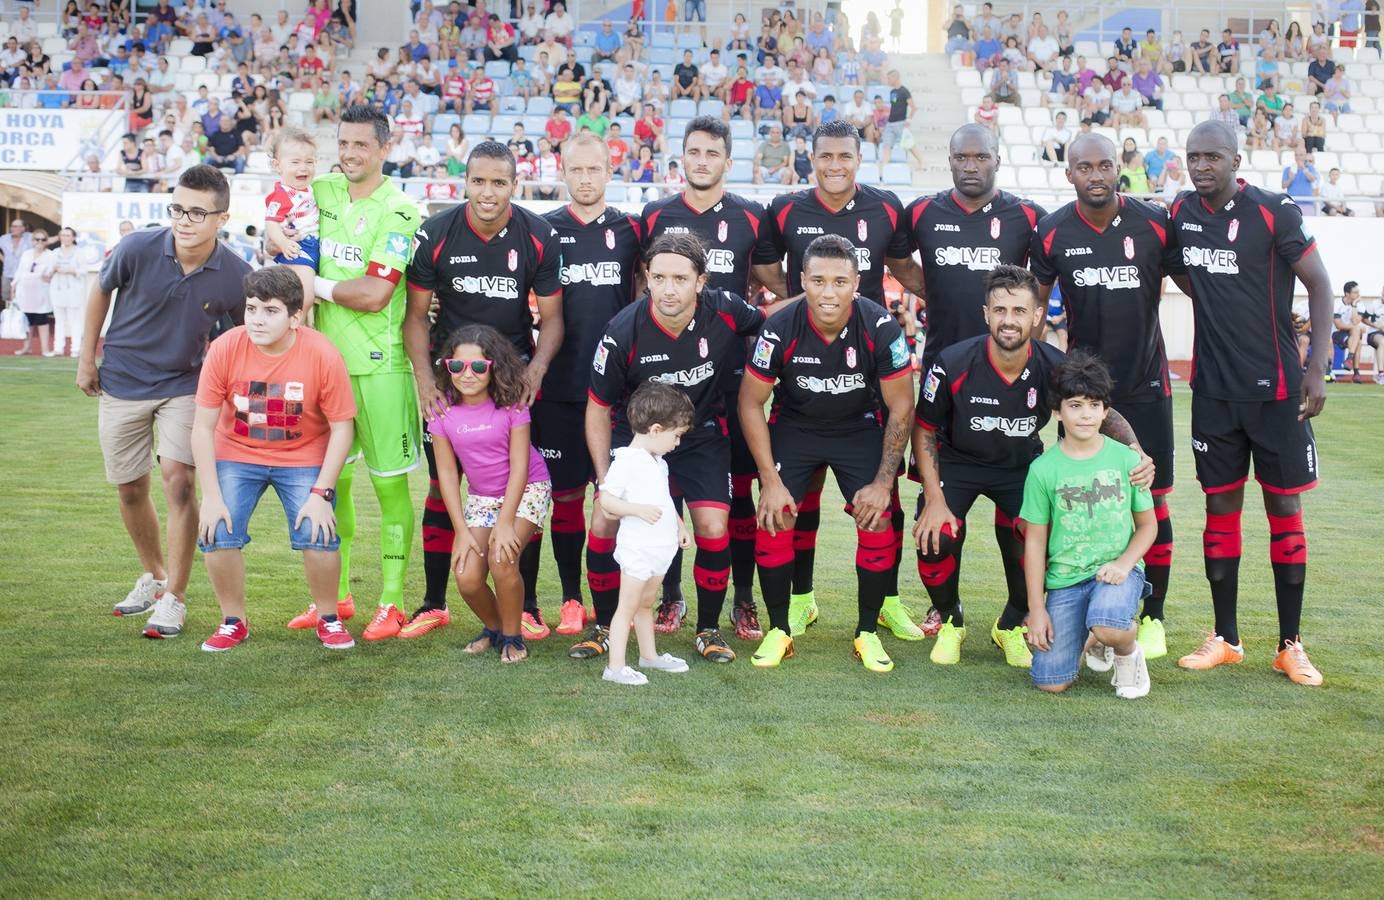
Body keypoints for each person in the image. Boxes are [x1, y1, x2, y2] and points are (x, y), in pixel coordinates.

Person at [912, 264, 1154, 667]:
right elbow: (923, 431)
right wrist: (934, 497)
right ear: (986, 313)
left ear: (1037, 315)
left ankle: (1009, 624)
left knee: (1034, 541)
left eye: (1020, 311)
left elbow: (1102, 410)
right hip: (959, 464)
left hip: (1021, 468)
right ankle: (951, 618)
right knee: (935, 534)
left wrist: (1138, 450)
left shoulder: (1052, 364)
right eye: (1001, 310)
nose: (1010, 320)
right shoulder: (951, 362)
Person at [1167, 121, 1334, 686]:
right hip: (1213, 392)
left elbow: (1319, 282)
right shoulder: (1181, 214)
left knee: (1284, 511)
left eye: (1212, 156)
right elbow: (1180, 271)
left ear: (1236, 160)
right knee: (1220, 511)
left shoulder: (1273, 212)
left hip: (1280, 391)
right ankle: (1226, 638)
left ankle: (1290, 644)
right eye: (1193, 156)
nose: (1201, 165)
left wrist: (1317, 366)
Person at [752, 120, 925, 642]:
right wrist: (800, 307)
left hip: (868, 374)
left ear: (859, 157)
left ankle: (887, 602)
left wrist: (958, 302)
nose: (834, 165)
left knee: (882, 504)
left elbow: (904, 265)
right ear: (811, 158)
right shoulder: (784, 208)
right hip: (804, 375)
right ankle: (800, 600)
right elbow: (762, 266)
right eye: (824, 156)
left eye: (844, 156)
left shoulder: (887, 207)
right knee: (796, 502)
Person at [586, 233, 786, 664]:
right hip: (638, 439)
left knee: (713, 528)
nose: (668, 288)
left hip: (701, 436)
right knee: (604, 523)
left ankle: (709, 630)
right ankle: (603, 626)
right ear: (647, 278)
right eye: (658, 277)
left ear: (700, 281)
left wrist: (813, 299)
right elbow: (598, 409)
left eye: (680, 278)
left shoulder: (726, 310)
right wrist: (606, 481)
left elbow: (770, 318)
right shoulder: (623, 330)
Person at [77, 166, 251, 636]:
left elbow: (243, 332)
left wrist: (234, 386)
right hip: (121, 381)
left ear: (222, 217)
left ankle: (174, 595)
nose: (185, 220)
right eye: (177, 208)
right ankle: (153, 576)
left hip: (185, 386)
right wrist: (86, 356)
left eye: (197, 212)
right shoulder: (137, 248)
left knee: (178, 483)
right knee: (130, 487)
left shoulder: (237, 273)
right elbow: (100, 290)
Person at [1030, 133, 1181, 658]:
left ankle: (1154, 614)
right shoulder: (1050, 232)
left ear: (1121, 168)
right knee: (1078, 502)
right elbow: (1032, 311)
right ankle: (1079, 607)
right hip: (1083, 395)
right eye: (1084, 167)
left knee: (1151, 498)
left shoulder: (1155, 223)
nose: (1096, 175)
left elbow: (1196, 282)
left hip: (1145, 386)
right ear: (1068, 173)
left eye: (1105, 165)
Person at [405, 141, 562, 639]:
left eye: (499, 182)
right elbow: (413, 317)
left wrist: (535, 371)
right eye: (479, 181)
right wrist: (426, 378)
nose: (488, 192)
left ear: (514, 185)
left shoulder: (537, 236)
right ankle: (433, 601)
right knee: (441, 484)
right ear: (465, 182)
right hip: (453, 377)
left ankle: (528, 605)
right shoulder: (435, 233)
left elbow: (554, 321)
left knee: (516, 486)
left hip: (511, 379)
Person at [739, 234, 916, 672]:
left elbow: (901, 405)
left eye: (840, 281)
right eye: (818, 280)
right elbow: (749, 402)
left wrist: (882, 483)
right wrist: (770, 481)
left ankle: (867, 633)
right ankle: (780, 630)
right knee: (776, 518)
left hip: (858, 429)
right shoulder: (779, 327)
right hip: (796, 427)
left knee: (877, 520)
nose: (828, 292)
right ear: (802, 280)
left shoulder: (880, 328)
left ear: (857, 283)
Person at [283, 105, 423, 638]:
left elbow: (373, 293)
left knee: (389, 490)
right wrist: (279, 244)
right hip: (320, 367)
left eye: (361, 145)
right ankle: (335, 599)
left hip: (379, 370)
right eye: (343, 144)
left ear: (385, 148)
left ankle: (391, 601)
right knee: (328, 487)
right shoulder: (321, 192)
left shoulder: (402, 210)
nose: (349, 154)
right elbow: (278, 224)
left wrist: (309, 283)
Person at [641, 116, 769, 643]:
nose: (701, 161)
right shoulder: (654, 215)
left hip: (732, 382)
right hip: (669, 383)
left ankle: (742, 600)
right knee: (665, 491)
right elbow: (642, 289)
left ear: (727, 161)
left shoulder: (752, 219)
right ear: (681, 158)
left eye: (712, 153)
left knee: (735, 497)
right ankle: (672, 598)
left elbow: (770, 288)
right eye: (693, 152)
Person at [519, 132, 643, 645]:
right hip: (561, 388)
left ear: (610, 171)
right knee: (560, 496)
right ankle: (560, 599)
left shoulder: (631, 230)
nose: (586, 179)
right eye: (576, 170)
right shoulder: (542, 230)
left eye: (595, 170)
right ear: (562, 171)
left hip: (619, 393)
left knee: (616, 500)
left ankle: (623, 598)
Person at [192, 266, 356, 652]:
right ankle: (233, 620)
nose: (257, 320)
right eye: (251, 309)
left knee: (318, 531)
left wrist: (321, 493)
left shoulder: (322, 353)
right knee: (218, 530)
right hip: (237, 453)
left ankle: (328, 617)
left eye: (270, 311)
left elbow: (342, 428)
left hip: (302, 455)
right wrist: (211, 496)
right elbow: (201, 428)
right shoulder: (226, 347)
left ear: (295, 317)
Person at [1022, 351, 1156, 698]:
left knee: (1110, 622)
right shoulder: (1042, 469)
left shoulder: (1127, 459)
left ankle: (1127, 653)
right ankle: (1094, 635)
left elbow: (1147, 527)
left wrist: (1124, 564)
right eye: (1076, 405)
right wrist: (1037, 610)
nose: (1086, 415)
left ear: (1106, 411)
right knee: (1050, 682)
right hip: (1066, 581)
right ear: (1057, 411)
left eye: (1094, 405)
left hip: (1115, 572)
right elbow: (1034, 542)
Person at [427, 324, 553, 663]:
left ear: (493, 367)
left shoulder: (512, 407)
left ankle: (514, 636)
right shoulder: (442, 412)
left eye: (478, 366)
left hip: (527, 488)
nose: (467, 374)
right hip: (482, 498)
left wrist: (506, 522)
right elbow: (448, 476)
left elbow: (521, 467)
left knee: (502, 558)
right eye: (457, 366)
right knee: (467, 577)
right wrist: (462, 532)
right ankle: (495, 627)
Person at [598, 382, 696, 685]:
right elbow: (607, 500)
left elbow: (664, 500)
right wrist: (636, 510)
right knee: (627, 606)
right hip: (638, 549)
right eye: (676, 435)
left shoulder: (658, 462)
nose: (677, 443)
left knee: (645, 603)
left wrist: (679, 525)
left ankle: (648, 656)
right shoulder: (627, 460)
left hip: (660, 547)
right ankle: (614, 667)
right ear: (655, 429)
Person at [263, 128, 320, 316]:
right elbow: (271, 223)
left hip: (313, 244)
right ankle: (295, 327)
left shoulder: (310, 188)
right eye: (295, 162)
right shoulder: (282, 195)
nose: (303, 167)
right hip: (298, 246)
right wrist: (284, 243)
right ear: (277, 165)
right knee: (306, 296)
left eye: (309, 162)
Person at [10, 228, 54, 357]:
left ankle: (45, 349)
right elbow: (20, 272)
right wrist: (13, 286)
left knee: (42, 320)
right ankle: (26, 347)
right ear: (32, 240)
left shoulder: (50, 255)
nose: (39, 242)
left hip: (41, 293)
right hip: (25, 293)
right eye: (37, 239)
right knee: (26, 321)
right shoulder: (26, 254)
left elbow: (48, 274)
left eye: (43, 239)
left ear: (46, 241)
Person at [47, 227, 88, 358]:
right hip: (57, 290)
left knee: (75, 320)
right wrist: (53, 269)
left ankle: (75, 348)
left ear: (73, 237)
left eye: (68, 235)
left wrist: (71, 270)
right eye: (63, 235)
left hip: (74, 291)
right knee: (59, 320)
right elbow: (47, 272)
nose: (65, 238)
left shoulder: (79, 252)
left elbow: (84, 271)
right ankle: (58, 348)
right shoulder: (54, 252)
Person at [1333, 281, 1370, 381]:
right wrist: (1354, 327)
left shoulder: (1359, 305)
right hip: (1336, 333)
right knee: (1357, 335)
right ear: (1347, 294)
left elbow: (1355, 321)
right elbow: (1338, 325)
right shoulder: (1337, 303)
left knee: (1357, 339)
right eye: (1355, 292)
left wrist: (1354, 305)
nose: (1358, 295)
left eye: (1358, 292)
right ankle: (1356, 372)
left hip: (1351, 334)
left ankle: (1349, 359)